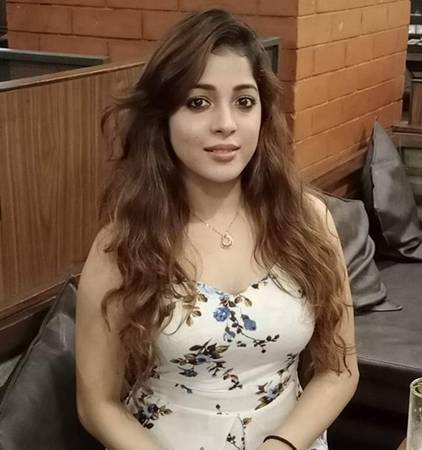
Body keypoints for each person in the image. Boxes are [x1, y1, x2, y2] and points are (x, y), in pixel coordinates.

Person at [75, 8, 359, 450]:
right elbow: (97, 404)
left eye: (244, 101)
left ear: (263, 113)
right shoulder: (124, 243)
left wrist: (281, 446)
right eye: (198, 102)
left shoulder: (309, 221)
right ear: (163, 117)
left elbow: (339, 371)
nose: (226, 123)